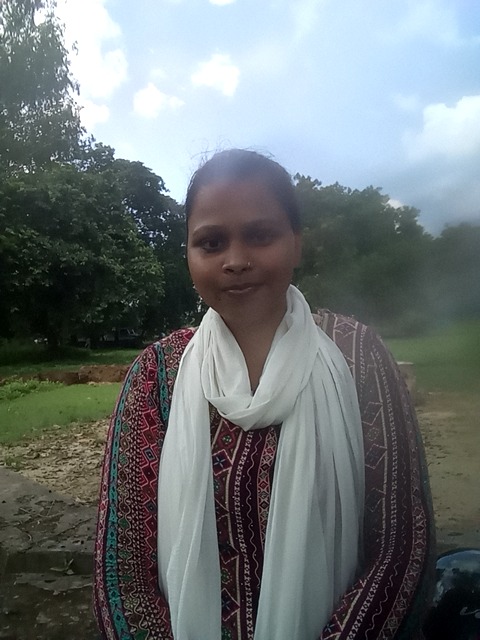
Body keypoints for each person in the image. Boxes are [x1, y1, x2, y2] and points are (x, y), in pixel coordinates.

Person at [93, 149, 435, 639]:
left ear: (296, 244)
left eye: (260, 235)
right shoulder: (157, 375)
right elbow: (122, 569)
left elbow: (400, 546)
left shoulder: (357, 357)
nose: (236, 261)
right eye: (211, 242)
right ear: (189, 255)